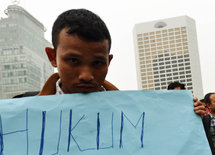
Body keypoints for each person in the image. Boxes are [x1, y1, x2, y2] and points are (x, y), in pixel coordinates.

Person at [38, 9, 205, 117]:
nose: (86, 76)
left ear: (108, 61)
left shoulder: (135, 112)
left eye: (97, 63)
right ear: (52, 56)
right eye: (73, 60)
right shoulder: (24, 115)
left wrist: (187, 116)